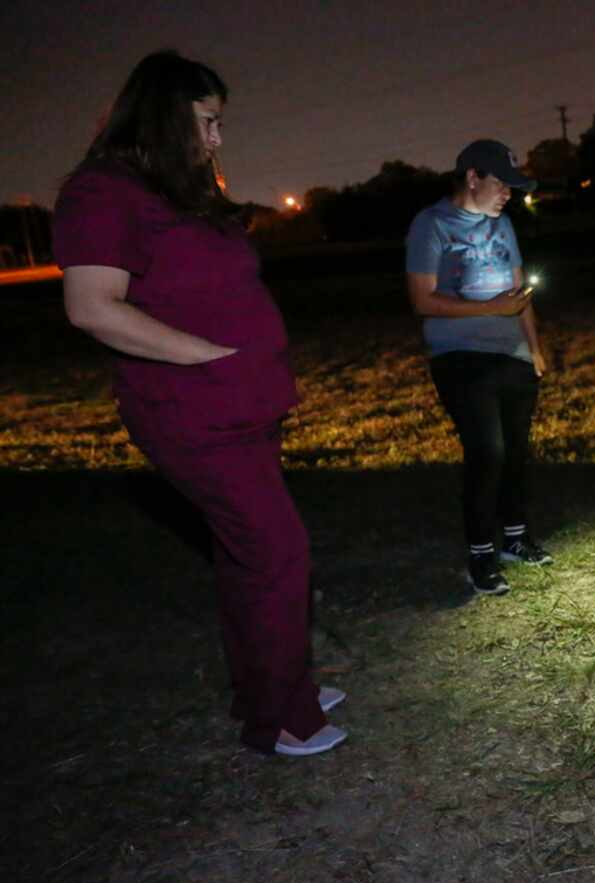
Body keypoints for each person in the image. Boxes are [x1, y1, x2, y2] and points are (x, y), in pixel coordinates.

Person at [52, 51, 346, 756]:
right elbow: (92, 308)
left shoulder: (180, 192)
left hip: (244, 406)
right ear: (163, 113)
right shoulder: (102, 191)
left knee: (246, 557)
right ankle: (280, 718)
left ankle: (272, 684)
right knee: (279, 552)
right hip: (193, 411)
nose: (217, 139)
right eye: (207, 123)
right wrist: (208, 357)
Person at [405, 139, 553, 598]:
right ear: (472, 177)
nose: (509, 194)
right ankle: (480, 555)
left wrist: (534, 348)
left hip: (511, 354)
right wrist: (489, 308)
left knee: (515, 451)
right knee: (487, 451)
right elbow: (422, 300)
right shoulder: (431, 226)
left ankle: (514, 538)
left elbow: (518, 294)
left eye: (514, 187)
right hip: (460, 356)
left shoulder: (503, 225)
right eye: (501, 184)